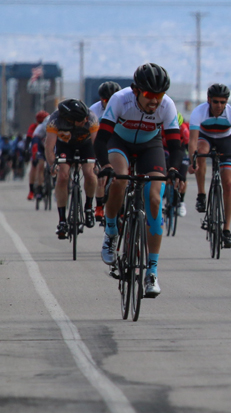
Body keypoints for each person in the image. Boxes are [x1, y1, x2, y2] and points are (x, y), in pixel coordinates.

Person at [95, 63, 184, 297]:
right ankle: (111, 231)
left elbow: (175, 145)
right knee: (120, 180)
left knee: (154, 198)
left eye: (160, 95)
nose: (155, 101)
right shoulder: (119, 100)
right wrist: (104, 165)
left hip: (149, 146)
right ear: (136, 91)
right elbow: (102, 139)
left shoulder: (167, 106)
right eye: (149, 95)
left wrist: (174, 169)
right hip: (119, 143)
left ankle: (151, 272)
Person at [189, 83, 231, 248]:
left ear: (226, 102)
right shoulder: (199, 112)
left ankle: (226, 230)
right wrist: (192, 162)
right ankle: (201, 194)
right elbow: (192, 141)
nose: (219, 106)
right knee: (200, 152)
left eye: (222, 102)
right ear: (209, 100)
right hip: (205, 137)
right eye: (215, 102)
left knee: (228, 184)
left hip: (225, 140)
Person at [44, 99, 98, 239]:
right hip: (65, 146)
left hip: (86, 145)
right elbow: (49, 148)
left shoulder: (91, 118)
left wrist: (100, 163)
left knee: (90, 174)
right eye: (81, 120)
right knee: (62, 177)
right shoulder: (55, 120)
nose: (85, 121)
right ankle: (62, 220)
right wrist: (52, 164)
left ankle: (88, 207)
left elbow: (97, 144)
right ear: (70, 120)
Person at [91, 82, 122, 219]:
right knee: (100, 173)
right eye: (105, 100)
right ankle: (98, 206)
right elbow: (90, 136)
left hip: (117, 142)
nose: (108, 103)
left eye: (111, 100)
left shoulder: (121, 107)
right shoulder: (94, 111)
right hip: (100, 142)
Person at [27, 110, 50, 201]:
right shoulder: (38, 128)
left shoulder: (56, 127)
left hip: (50, 146)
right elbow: (33, 142)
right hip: (39, 146)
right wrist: (34, 155)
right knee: (38, 166)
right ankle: (36, 189)